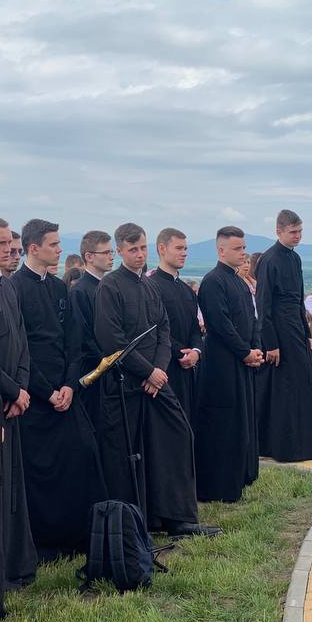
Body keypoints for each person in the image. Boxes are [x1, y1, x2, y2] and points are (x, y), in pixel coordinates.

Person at [94, 223, 212, 536]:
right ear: (120, 251)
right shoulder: (110, 287)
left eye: (142, 248)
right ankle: (136, 522)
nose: (139, 254)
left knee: (177, 436)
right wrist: (147, 371)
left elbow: (163, 329)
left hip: (156, 382)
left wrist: (158, 370)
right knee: (130, 455)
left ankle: (176, 517)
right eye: (132, 249)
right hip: (125, 385)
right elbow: (111, 340)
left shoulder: (149, 286)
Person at [9, 219, 107, 555]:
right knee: (41, 470)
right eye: (53, 244)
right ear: (33, 248)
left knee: (82, 455)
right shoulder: (14, 288)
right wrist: (47, 391)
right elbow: (19, 349)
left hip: (66, 392)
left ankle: (79, 535)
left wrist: (68, 385)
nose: (59, 250)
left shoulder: (58, 288)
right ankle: (45, 542)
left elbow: (72, 342)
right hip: (35, 396)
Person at [0, 214, 36, 589]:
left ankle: (16, 562)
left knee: (12, 487)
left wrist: (22, 386)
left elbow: (21, 341)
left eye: (12, 246)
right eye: (0, 244)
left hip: (15, 399)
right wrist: (12, 391)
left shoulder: (7, 286)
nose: (8, 251)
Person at [193, 227, 262, 502]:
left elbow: (251, 319)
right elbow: (219, 324)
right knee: (224, 423)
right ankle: (219, 485)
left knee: (242, 421)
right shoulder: (213, 282)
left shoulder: (239, 281)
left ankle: (240, 476)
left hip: (243, 360)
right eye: (237, 248)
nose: (243, 253)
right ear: (221, 251)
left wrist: (255, 348)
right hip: (222, 364)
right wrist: (244, 351)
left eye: (244, 247)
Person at [255, 210, 312, 462]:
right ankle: (280, 445)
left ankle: (304, 443)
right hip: (278, 330)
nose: (297, 236)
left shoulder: (295, 259)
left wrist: (307, 333)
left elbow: (298, 300)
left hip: (296, 328)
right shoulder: (269, 260)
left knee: (304, 384)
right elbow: (263, 304)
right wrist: (271, 343)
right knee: (284, 388)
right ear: (279, 231)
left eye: (300, 231)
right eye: (293, 232)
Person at [149, 228, 202, 428]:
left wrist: (196, 351)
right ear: (162, 249)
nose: (184, 253)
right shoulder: (151, 286)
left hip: (189, 366)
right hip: (164, 366)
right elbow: (155, 329)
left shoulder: (187, 290)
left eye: (186, 248)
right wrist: (181, 352)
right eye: (179, 248)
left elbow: (195, 328)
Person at [69, 230, 112, 429]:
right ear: (89, 256)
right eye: (106, 252)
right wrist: (108, 360)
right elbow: (83, 336)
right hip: (92, 371)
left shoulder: (108, 287)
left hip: (110, 369)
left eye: (112, 252)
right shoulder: (80, 291)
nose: (111, 257)